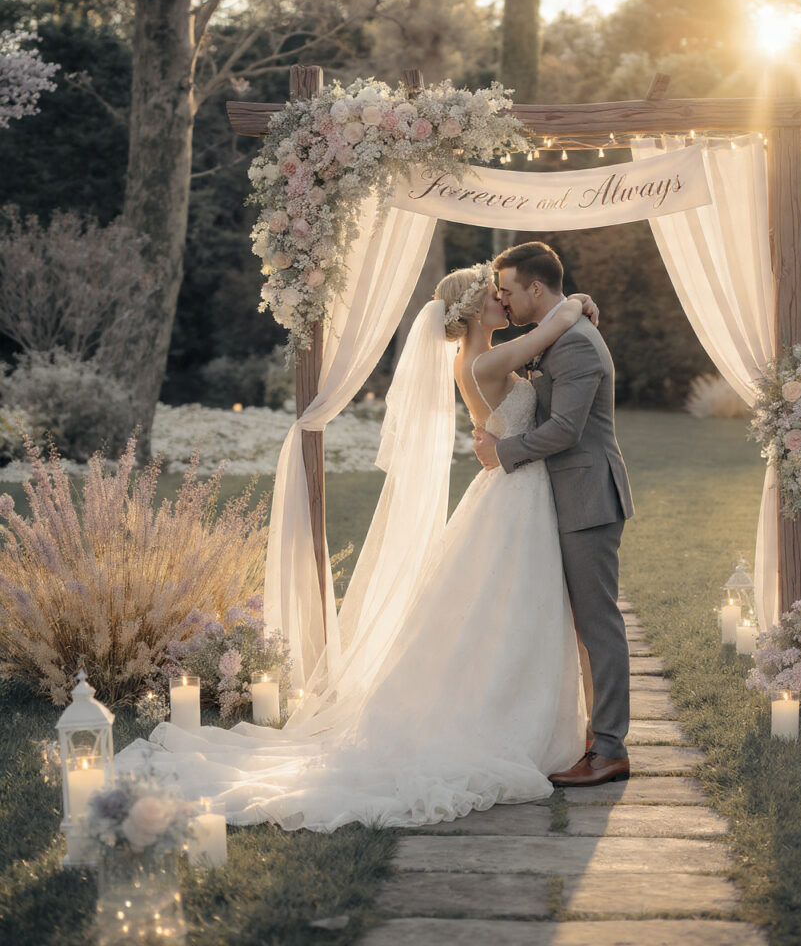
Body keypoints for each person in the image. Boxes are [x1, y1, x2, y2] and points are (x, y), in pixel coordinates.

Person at [116, 262, 602, 830]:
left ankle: (521, 708)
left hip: (513, 488)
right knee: (514, 607)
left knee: (508, 611)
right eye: (494, 297)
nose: (504, 301)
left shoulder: (476, 358)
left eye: (504, 294)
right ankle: (514, 719)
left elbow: (536, 357)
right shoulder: (487, 361)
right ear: (473, 311)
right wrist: (574, 303)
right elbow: (552, 328)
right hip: (514, 493)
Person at [474, 241, 634, 788]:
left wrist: (504, 454)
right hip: (563, 497)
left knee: (598, 624)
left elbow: (566, 429)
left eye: (510, 291)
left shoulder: (578, 346)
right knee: (574, 624)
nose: (505, 301)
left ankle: (610, 748)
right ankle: (591, 734)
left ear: (535, 289)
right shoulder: (561, 333)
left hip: (589, 499)